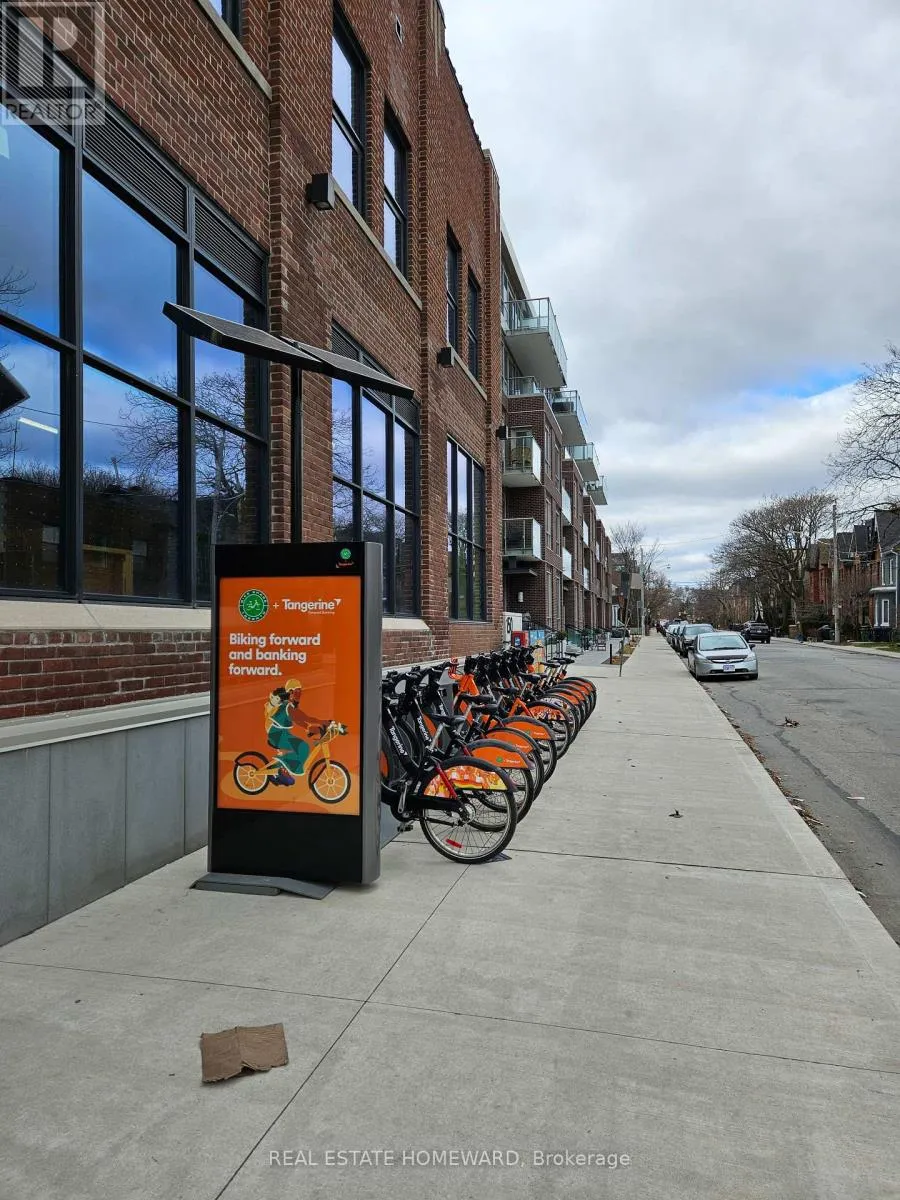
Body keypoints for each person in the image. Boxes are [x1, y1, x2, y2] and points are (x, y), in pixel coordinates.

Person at [264, 678, 328, 786]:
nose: (299, 694)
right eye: (297, 691)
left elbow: (306, 717)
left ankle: (280, 767)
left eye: (300, 691)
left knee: (303, 747)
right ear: (290, 692)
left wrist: (325, 722)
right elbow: (299, 720)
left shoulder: (291, 706)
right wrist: (310, 728)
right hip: (276, 734)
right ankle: (279, 771)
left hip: (283, 733)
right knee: (299, 748)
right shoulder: (287, 707)